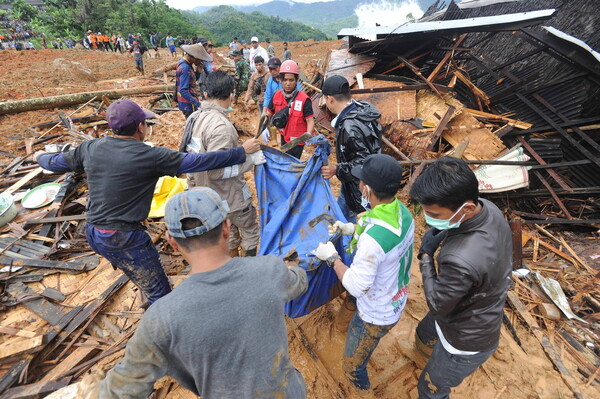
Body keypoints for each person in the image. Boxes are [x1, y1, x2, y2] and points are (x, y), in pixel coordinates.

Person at [34, 99, 262, 308]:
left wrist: (39, 157)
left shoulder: (90, 147)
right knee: (160, 293)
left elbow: (54, 162)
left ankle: (145, 287)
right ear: (141, 127)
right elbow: (200, 161)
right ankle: (164, 330)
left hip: (94, 232)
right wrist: (241, 152)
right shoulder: (149, 155)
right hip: (124, 237)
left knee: (140, 274)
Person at [94, 188, 308, 399]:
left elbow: (123, 389)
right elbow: (299, 282)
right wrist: (292, 267)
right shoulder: (269, 270)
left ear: (172, 241)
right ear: (226, 227)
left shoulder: (161, 318)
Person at [409, 157, 512, 399]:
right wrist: (445, 229)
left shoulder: (460, 259)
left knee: (430, 387)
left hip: (466, 339)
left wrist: (425, 257)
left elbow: (437, 305)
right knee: (425, 333)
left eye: (433, 213)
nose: (426, 218)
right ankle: (423, 356)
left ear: (465, 208)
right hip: (475, 300)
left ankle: (432, 369)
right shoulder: (488, 208)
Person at [313, 154, 414, 395]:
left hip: (376, 314)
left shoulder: (372, 241)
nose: (358, 185)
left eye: (360, 182)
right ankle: (340, 329)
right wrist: (351, 228)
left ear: (367, 189)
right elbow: (377, 230)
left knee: (351, 365)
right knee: (352, 307)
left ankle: (362, 389)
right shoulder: (402, 212)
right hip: (394, 294)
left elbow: (357, 287)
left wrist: (332, 259)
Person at [181, 71, 264, 257]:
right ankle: (247, 267)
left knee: (228, 233)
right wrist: (250, 160)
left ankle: (232, 264)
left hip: (205, 196)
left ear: (205, 94)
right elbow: (217, 172)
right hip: (229, 197)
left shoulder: (196, 118)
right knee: (249, 231)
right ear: (232, 95)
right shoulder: (222, 128)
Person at [320, 75, 382, 223]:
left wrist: (337, 169)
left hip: (360, 189)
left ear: (330, 99)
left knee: (356, 226)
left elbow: (363, 162)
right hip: (355, 184)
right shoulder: (362, 109)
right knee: (339, 218)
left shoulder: (350, 126)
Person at [263, 60, 314, 159]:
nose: (288, 83)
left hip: (298, 141)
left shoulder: (304, 99)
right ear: (281, 80)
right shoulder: (276, 96)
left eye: (291, 80)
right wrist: (264, 127)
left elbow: (310, 120)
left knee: (293, 163)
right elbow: (268, 114)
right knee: (285, 159)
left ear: (296, 80)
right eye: (285, 80)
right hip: (284, 137)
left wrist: (308, 134)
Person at [176, 43, 212, 118]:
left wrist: (198, 72)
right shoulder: (185, 68)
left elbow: (190, 81)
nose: (200, 62)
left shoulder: (185, 64)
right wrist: (198, 104)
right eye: (200, 60)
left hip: (188, 102)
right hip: (188, 104)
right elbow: (183, 90)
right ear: (194, 57)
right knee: (192, 125)